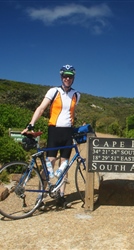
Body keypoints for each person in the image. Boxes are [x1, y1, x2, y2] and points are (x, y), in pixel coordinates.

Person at [21, 64, 80, 209]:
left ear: (73, 78)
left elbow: (70, 114)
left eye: (70, 76)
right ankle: (40, 197)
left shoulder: (77, 95)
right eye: (65, 76)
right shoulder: (54, 91)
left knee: (64, 165)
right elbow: (41, 108)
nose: (67, 78)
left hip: (68, 132)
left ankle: (61, 196)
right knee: (50, 162)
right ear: (61, 77)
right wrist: (31, 125)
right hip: (54, 131)